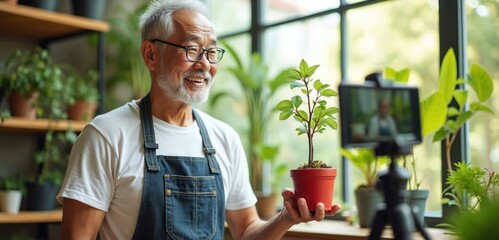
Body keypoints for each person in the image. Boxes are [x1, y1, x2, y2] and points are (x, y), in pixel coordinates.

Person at [57, 0, 341, 239]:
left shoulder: (224, 138)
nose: (205, 64)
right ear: (150, 55)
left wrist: (285, 219)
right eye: (192, 50)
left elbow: (246, 230)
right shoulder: (106, 135)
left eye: (211, 52)